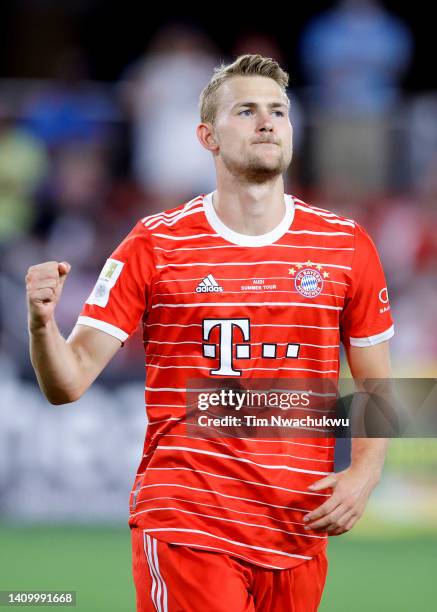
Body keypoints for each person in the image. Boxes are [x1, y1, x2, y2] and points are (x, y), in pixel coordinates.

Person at [26, 54, 394, 612]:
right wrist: (41, 323)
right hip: (186, 517)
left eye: (278, 111)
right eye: (246, 111)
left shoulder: (345, 245)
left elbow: (378, 385)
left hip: (297, 528)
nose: (266, 122)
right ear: (207, 136)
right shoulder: (154, 244)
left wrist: (364, 474)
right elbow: (68, 381)